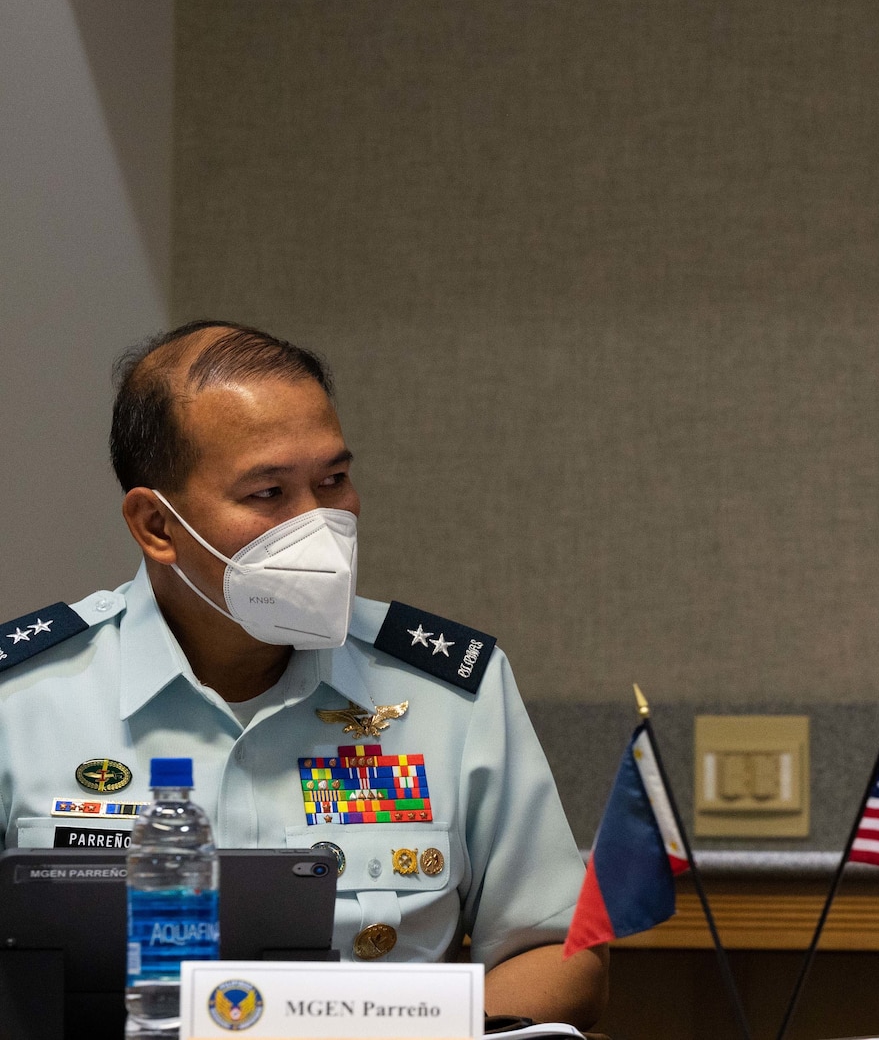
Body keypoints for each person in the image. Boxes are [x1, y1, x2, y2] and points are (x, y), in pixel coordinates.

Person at [0, 322, 607, 1027]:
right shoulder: (21, 703)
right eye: (268, 493)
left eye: (333, 481)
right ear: (157, 526)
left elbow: (562, 959)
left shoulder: (447, 693)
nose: (320, 525)